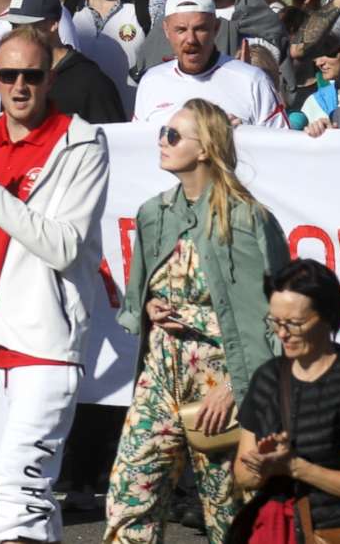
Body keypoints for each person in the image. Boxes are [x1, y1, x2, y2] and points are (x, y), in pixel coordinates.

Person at [0, 24, 112, 544]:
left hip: (45, 345)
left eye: (31, 75)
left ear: (49, 78)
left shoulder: (81, 142)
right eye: (8, 75)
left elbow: (62, 245)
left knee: (15, 492)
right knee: (26, 493)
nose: (19, 86)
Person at [108, 99, 291, 544]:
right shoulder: (154, 212)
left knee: (228, 512)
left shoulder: (247, 219)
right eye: (162, 133)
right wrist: (150, 307)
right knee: (128, 497)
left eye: (174, 135)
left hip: (221, 378)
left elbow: (278, 320)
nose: (163, 142)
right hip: (160, 371)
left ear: (205, 147)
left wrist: (235, 387)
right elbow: (141, 292)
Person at [229, 258, 340, 540]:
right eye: (276, 322)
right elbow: (242, 476)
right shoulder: (266, 379)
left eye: (294, 323)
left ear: (327, 317)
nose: (282, 333)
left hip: (335, 533)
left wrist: (296, 467)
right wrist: (262, 465)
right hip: (276, 531)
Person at [132, 0, 283, 129]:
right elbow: (138, 146)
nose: (190, 39)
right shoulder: (151, 82)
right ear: (166, 30)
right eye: (181, 30)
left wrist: (239, 136)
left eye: (200, 29)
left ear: (216, 28)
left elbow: (279, 146)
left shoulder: (253, 81)